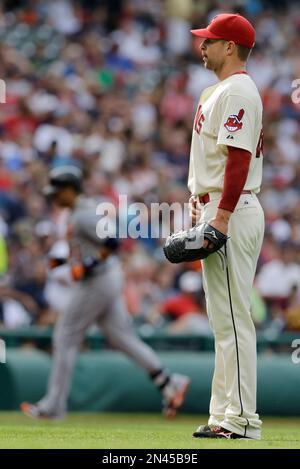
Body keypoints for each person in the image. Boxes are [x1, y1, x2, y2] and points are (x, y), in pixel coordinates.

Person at [21, 166, 190, 419]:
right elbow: (83, 252)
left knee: (65, 336)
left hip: (98, 280)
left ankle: (54, 406)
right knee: (122, 337)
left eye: (57, 191)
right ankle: (168, 382)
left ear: (70, 189)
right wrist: (63, 264)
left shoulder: (84, 213)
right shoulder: (79, 211)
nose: (53, 197)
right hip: (106, 278)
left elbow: (112, 241)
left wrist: (88, 265)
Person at [188, 14, 264, 439]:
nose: (202, 46)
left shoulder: (238, 90)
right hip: (216, 206)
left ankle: (242, 419)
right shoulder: (217, 90)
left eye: (210, 40)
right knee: (223, 321)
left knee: (234, 320)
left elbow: (238, 161)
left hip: (231, 208)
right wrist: (201, 209)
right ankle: (223, 415)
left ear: (230, 47)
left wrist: (221, 215)